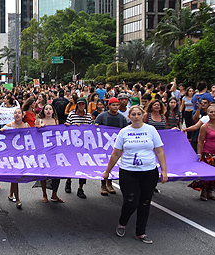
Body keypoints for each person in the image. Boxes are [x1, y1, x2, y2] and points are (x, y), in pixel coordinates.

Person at [103, 105, 168, 244]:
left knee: (145, 202)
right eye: (133, 114)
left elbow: (159, 151)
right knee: (131, 201)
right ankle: (122, 222)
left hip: (149, 172)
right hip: (129, 172)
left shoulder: (151, 130)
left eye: (139, 114)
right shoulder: (124, 132)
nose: (136, 117)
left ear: (143, 115)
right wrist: (107, 171)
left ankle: (141, 232)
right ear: (129, 116)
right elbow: (116, 153)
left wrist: (164, 170)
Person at [94, 97, 128, 196]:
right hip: (104, 145)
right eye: (113, 105)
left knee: (114, 164)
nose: (115, 107)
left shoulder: (122, 118)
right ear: (109, 106)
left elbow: (125, 130)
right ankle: (103, 184)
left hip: (116, 146)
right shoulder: (102, 116)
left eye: (117, 105)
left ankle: (110, 184)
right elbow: (95, 127)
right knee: (104, 165)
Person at [0, 108, 30, 209]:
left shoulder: (26, 126)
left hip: (23, 155)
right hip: (12, 155)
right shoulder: (9, 126)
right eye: (15, 113)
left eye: (19, 113)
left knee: (16, 176)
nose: (17, 115)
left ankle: (10, 194)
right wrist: (2, 130)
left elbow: (32, 136)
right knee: (15, 176)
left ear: (22, 115)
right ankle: (17, 200)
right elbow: (1, 133)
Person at [64, 97, 93, 199]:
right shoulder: (72, 114)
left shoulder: (89, 116)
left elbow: (91, 129)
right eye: (80, 104)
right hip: (73, 144)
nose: (81, 106)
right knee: (72, 164)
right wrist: (71, 126)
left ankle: (80, 188)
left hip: (84, 146)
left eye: (83, 104)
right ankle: (68, 181)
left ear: (85, 105)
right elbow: (67, 126)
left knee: (83, 167)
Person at [187, 104, 215, 201]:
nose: (213, 114)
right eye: (211, 112)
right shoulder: (205, 126)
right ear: (207, 113)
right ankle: (204, 192)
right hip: (208, 153)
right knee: (207, 174)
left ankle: (210, 192)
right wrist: (199, 154)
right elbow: (200, 141)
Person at [35, 104, 64, 203]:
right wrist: (39, 127)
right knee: (44, 173)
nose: (48, 111)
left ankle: (54, 194)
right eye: (46, 109)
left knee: (57, 172)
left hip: (54, 150)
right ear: (43, 111)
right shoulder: (39, 121)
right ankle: (44, 194)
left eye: (50, 109)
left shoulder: (56, 121)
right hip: (43, 150)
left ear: (53, 111)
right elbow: (34, 133)